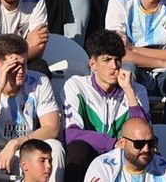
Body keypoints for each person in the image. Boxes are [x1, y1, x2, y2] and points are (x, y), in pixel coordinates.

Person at [0, 33, 64, 182]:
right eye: (14, 65)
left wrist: (16, 143)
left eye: (23, 64)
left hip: (25, 153)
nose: (21, 71)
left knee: (55, 147)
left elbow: (52, 128)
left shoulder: (39, 80)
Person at [60, 30, 151, 181]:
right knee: (77, 149)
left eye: (117, 60)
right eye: (107, 60)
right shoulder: (76, 86)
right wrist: (111, 143)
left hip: (124, 156)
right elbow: (71, 134)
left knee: (144, 150)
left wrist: (129, 91)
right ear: (92, 64)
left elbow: (143, 135)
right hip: (91, 152)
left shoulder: (137, 90)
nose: (114, 66)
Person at [86, 116, 166, 182]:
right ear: (122, 143)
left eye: (151, 143)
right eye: (139, 144)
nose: (146, 149)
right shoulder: (103, 167)